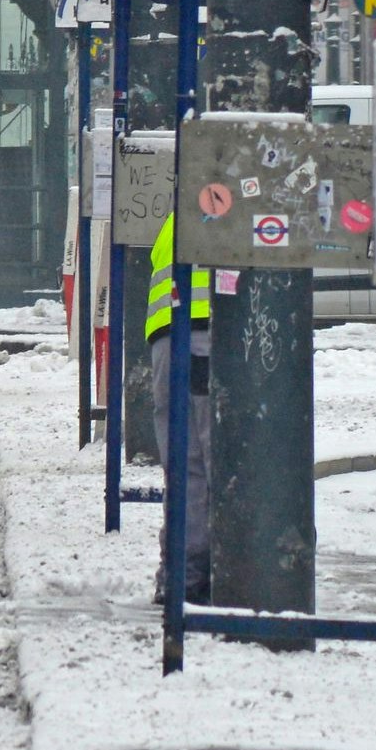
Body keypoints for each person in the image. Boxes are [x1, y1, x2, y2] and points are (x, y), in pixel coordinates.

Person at [143, 212, 219, 599]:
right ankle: (225, 575)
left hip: (167, 342)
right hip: (210, 335)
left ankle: (181, 578)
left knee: (184, 467)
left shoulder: (181, 210)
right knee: (220, 464)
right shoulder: (241, 202)